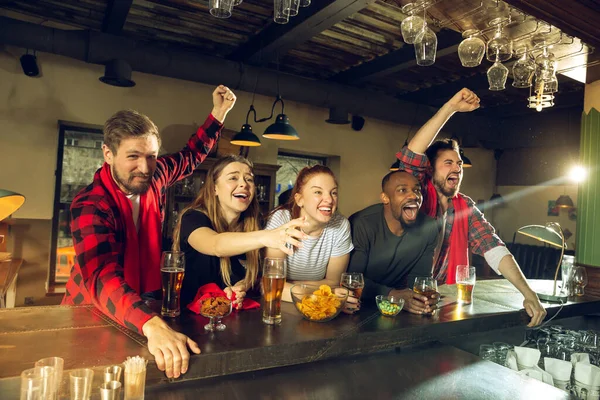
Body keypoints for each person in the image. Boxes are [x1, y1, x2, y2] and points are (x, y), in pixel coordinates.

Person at [62, 85, 236, 379]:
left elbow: (191, 156)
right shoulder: (91, 204)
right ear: (108, 153)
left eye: (152, 156)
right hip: (93, 314)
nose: (144, 167)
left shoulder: (154, 176)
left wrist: (219, 114)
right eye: (133, 156)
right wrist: (152, 324)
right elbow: (102, 276)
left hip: (145, 308)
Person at [395, 87, 547, 327]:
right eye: (448, 163)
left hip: (441, 305)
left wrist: (529, 294)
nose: (456, 168)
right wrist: (451, 108)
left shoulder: (464, 206)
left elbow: (494, 248)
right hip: (403, 302)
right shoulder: (417, 195)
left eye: (458, 164)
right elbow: (412, 154)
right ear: (430, 169)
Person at [171, 155, 307, 310]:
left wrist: (242, 287)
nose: (243, 184)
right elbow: (216, 245)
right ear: (214, 187)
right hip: (188, 319)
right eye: (233, 178)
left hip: (232, 320)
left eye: (249, 179)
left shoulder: (254, 225)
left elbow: (254, 276)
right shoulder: (193, 218)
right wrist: (266, 237)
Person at [348, 170, 439, 314]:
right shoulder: (362, 224)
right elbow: (352, 280)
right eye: (402, 190)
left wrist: (423, 300)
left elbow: (419, 280)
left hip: (396, 307)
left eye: (417, 190)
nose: (414, 196)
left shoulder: (429, 227)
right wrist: (392, 294)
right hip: (357, 306)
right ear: (385, 198)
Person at [265, 165, 354, 303]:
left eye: (334, 193)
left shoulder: (341, 225)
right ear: (299, 199)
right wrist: (327, 294)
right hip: (276, 304)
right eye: (318, 192)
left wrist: (291, 285)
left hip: (307, 304)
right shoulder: (281, 219)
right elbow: (271, 285)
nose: (329, 200)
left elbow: (333, 281)